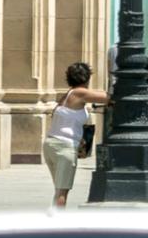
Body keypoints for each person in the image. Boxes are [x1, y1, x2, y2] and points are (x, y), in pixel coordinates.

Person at [43, 62, 109, 207]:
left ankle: (53, 218)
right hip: (64, 147)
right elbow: (108, 98)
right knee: (62, 192)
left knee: (59, 189)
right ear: (86, 79)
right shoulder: (80, 93)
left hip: (51, 144)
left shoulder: (67, 95)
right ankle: (57, 224)